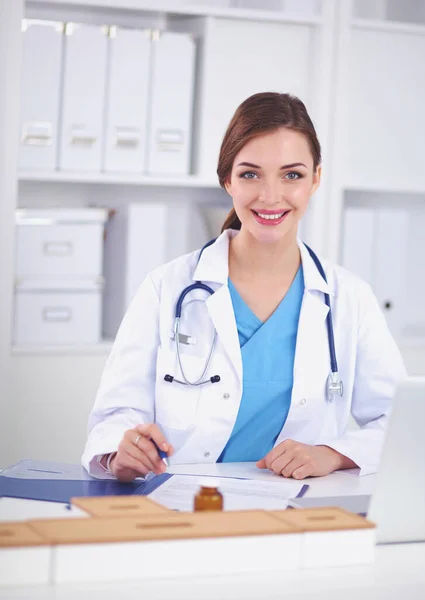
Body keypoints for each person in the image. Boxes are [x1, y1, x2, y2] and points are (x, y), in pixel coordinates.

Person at [82, 92, 406, 482]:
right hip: (182, 508)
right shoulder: (166, 288)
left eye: (292, 175)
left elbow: (399, 422)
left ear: (316, 179)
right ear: (227, 180)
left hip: (298, 515)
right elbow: (115, 415)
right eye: (250, 174)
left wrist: (333, 454)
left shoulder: (349, 299)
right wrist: (123, 449)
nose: (271, 196)